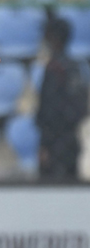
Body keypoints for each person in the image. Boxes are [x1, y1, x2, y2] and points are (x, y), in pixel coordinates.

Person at [37, 17, 88, 182]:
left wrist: (45, 143)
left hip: (57, 142)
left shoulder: (55, 69)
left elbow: (48, 110)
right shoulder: (74, 67)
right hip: (71, 139)